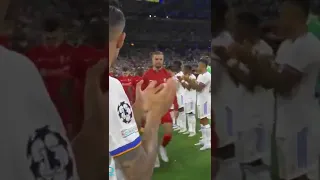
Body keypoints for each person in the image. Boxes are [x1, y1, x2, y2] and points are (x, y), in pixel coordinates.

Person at [225, 0, 320, 179]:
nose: (277, 21)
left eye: (281, 16)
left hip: (301, 126)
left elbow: (282, 85)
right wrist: (254, 61)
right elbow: (268, 81)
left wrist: (249, 59)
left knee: (302, 175)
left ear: (294, 17)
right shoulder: (287, 46)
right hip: (286, 123)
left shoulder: (307, 45)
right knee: (288, 174)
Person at [109, 5, 177, 180]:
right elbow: (139, 176)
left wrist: (138, 108)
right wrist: (154, 115)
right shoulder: (111, 86)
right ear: (121, 40)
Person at [215, 11, 274, 180]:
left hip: (260, 117)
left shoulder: (264, 50)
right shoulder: (243, 48)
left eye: (237, 28)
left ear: (248, 29)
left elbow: (251, 81)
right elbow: (238, 78)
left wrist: (228, 59)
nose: (234, 32)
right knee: (246, 164)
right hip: (246, 114)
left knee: (257, 164)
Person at [26, 17, 75, 139]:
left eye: (55, 39)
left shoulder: (71, 53)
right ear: (42, 37)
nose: (51, 43)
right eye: (48, 39)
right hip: (41, 108)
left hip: (65, 108)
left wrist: (46, 73)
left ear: (62, 35)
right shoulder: (33, 55)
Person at [142, 51, 179, 163]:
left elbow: (172, 92)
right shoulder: (147, 75)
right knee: (153, 135)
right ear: (152, 60)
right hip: (152, 109)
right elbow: (143, 92)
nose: (158, 61)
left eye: (160, 59)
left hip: (164, 108)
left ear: (163, 60)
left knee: (168, 133)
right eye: (156, 59)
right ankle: (154, 158)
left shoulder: (167, 74)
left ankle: (162, 147)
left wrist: (176, 107)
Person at [183, 59, 211, 150]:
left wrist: (188, 80)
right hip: (200, 100)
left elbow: (198, 88)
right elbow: (195, 86)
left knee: (205, 119)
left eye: (199, 66)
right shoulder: (200, 76)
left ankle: (208, 142)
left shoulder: (207, 76)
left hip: (205, 101)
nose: (197, 68)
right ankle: (204, 139)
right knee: (201, 120)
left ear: (203, 66)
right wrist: (190, 81)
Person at [178, 65, 197, 137]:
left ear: (189, 70)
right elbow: (184, 87)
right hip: (187, 98)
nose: (183, 71)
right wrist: (182, 81)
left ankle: (193, 131)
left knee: (191, 114)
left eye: (184, 69)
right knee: (188, 115)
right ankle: (190, 130)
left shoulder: (192, 77)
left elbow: (189, 87)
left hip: (191, 99)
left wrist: (182, 80)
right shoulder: (186, 76)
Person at [172, 61, 187, 134]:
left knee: (182, 110)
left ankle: (184, 127)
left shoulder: (180, 75)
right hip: (178, 94)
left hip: (181, 94)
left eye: (175, 66)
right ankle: (180, 125)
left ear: (178, 66)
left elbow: (179, 86)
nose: (173, 67)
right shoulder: (177, 74)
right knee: (178, 110)